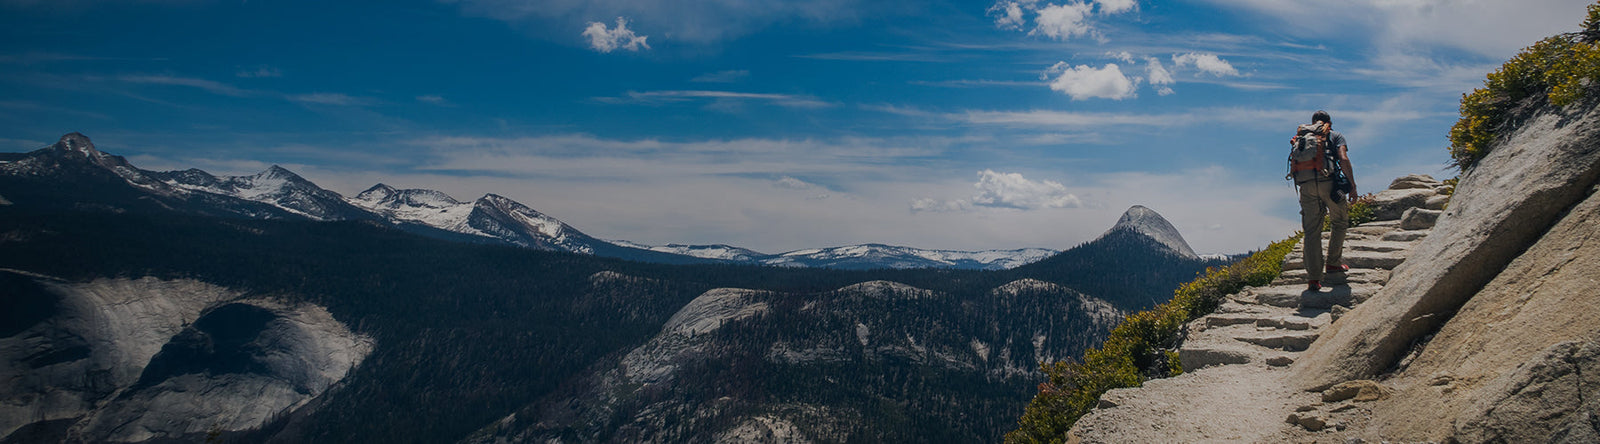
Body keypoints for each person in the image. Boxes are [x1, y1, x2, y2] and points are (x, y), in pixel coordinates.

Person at [1293, 110, 1356, 291]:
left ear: (1313, 123)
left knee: (1312, 231)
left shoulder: (1302, 137)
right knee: (1340, 221)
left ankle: (1313, 279)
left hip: (1306, 186)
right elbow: (1343, 158)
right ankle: (1333, 263)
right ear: (1329, 123)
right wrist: (1352, 185)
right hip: (1329, 183)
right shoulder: (1335, 135)